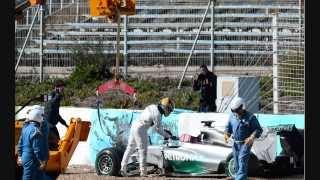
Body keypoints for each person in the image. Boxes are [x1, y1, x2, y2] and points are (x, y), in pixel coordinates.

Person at [120, 97, 176, 177]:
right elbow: (158, 130)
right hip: (141, 129)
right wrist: (168, 135)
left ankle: (123, 168)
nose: (169, 111)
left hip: (135, 125)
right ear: (165, 107)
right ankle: (143, 172)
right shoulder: (158, 115)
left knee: (130, 148)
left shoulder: (153, 106)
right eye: (169, 109)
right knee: (143, 150)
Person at [224, 97, 263, 180]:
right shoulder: (232, 116)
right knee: (237, 164)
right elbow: (228, 128)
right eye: (233, 111)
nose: (236, 113)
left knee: (242, 161)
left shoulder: (250, 117)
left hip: (246, 143)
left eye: (237, 110)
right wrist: (226, 134)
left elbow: (258, 129)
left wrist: (252, 137)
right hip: (235, 144)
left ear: (242, 107)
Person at [17, 105, 50, 180]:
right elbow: (37, 148)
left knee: (36, 176)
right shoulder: (36, 130)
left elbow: (20, 142)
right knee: (29, 176)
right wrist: (42, 160)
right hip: (33, 158)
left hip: (26, 156)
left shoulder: (26, 127)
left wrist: (20, 156)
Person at [43, 79, 68, 150]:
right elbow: (49, 106)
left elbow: (56, 113)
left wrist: (64, 123)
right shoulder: (50, 95)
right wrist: (57, 95)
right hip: (48, 126)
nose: (63, 89)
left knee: (58, 144)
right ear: (56, 87)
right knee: (55, 144)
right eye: (62, 87)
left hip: (52, 125)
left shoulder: (57, 97)